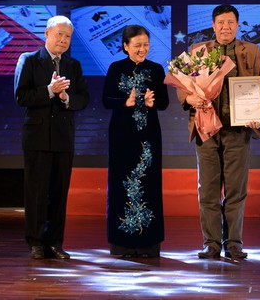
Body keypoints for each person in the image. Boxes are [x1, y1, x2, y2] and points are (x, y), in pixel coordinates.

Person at [178, 4, 260, 260]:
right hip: (206, 128)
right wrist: (188, 99)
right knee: (208, 190)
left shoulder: (251, 50)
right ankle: (211, 243)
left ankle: (234, 243)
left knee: (236, 189)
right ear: (213, 26)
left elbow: (257, 84)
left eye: (230, 22)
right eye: (221, 23)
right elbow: (182, 83)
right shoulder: (198, 50)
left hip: (238, 129)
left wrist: (257, 113)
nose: (226, 27)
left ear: (238, 25)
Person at [14, 15, 90, 260]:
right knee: (37, 191)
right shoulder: (29, 60)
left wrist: (66, 98)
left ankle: (55, 242)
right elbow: (21, 97)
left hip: (63, 137)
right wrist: (49, 90)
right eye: (59, 34)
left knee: (59, 191)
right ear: (47, 34)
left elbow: (83, 98)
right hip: (37, 136)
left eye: (68, 36)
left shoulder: (73, 65)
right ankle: (36, 242)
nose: (63, 40)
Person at [102, 25, 170, 258]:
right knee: (120, 184)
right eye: (137, 45)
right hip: (121, 135)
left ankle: (148, 244)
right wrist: (126, 101)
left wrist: (152, 103)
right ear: (125, 46)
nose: (143, 49)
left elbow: (164, 102)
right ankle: (122, 243)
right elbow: (106, 100)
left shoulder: (156, 69)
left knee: (149, 183)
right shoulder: (115, 68)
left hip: (148, 135)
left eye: (146, 45)